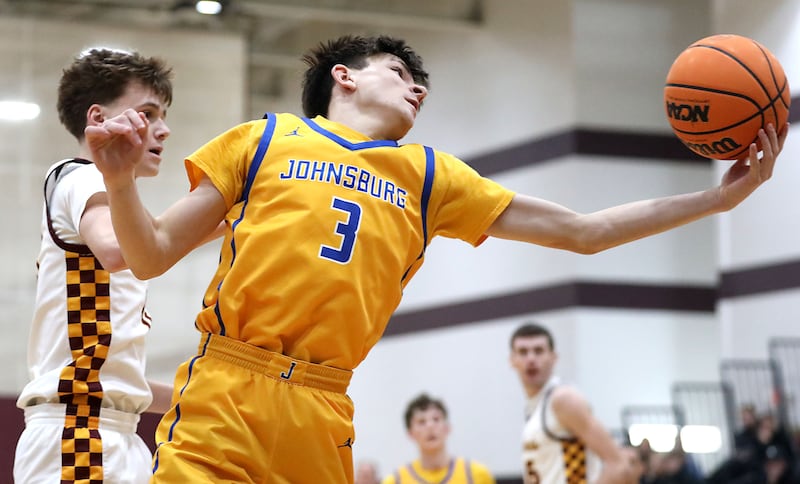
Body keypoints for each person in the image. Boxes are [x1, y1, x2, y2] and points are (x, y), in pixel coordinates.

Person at [83, 34, 788, 483]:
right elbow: (151, 255)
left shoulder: (432, 176)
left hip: (323, 403)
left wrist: (716, 202)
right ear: (345, 78)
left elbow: (586, 231)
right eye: (398, 72)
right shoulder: (264, 139)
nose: (416, 87)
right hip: (230, 387)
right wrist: (117, 183)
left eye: (422, 82)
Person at [13, 48, 175, 483]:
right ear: (98, 118)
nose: (163, 129)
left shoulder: (111, 202)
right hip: (79, 433)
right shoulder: (82, 176)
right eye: (148, 113)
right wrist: (212, 220)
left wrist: (202, 394)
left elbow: (120, 383)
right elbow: (120, 252)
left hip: (110, 431)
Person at [509, 322, 643, 483]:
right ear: (512, 360)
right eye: (523, 352)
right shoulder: (535, 407)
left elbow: (618, 463)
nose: (531, 359)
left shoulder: (563, 399)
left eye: (538, 351)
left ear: (553, 357)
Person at [382, 393, 495, 484]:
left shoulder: (477, 474)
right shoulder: (395, 480)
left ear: (447, 428)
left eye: (436, 419)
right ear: (410, 434)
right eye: (421, 422)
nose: (430, 426)